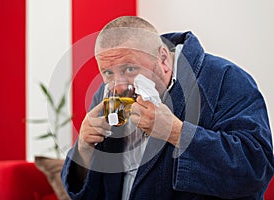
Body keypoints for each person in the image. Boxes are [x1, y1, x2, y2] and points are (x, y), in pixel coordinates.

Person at [61, 16, 274, 199]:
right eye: (107, 73)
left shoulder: (225, 79)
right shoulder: (109, 93)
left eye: (130, 68)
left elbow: (257, 168)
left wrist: (176, 132)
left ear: (163, 58)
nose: (120, 84)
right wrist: (84, 149)